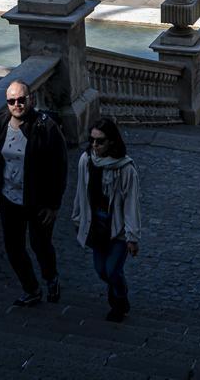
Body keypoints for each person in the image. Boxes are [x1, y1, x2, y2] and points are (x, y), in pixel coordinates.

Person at [0, 80, 68, 306]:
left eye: (21, 100)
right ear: (7, 103)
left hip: (37, 200)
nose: (17, 104)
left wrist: (54, 205)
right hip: (9, 198)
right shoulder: (0, 124)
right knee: (13, 248)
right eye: (12, 101)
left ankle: (51, 278)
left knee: (40, 245)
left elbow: (60, 167)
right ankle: (31, 289)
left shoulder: (46, 127)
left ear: (30, 99)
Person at [72, 118, 141, 323]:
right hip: (97, 227)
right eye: (92, 140)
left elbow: (131, 203)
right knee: (101, 270)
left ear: (111, 142)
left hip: (117, 228)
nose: (94, 145)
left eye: (99, 141)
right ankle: (118, 289)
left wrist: (132, 236)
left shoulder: (126, 169)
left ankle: (119, 300)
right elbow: (80, 192)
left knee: (112, 270)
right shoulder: (86, 160)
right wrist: (78, 218)